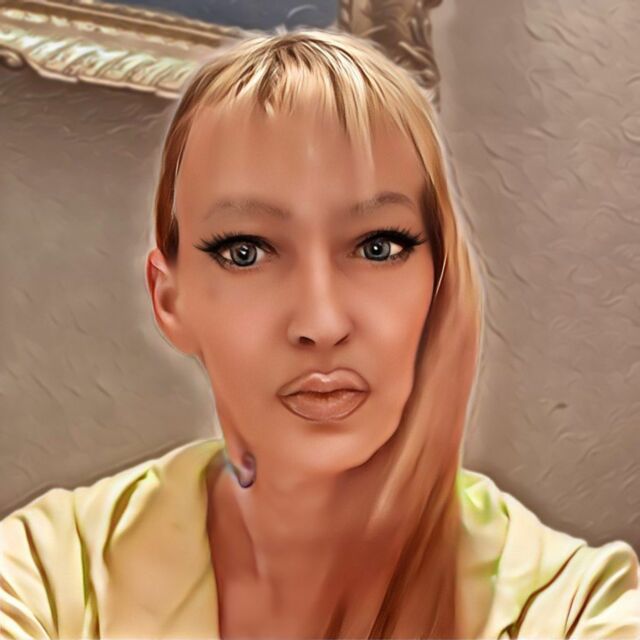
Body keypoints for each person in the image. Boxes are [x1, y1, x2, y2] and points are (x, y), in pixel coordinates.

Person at [1, 28, 638, 640]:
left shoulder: (573, 606)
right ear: (170, 299)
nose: (321, 324)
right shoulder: (47, 574)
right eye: (246, 252)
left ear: (441, 281)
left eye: (379, 246)